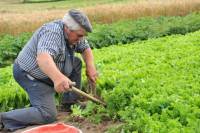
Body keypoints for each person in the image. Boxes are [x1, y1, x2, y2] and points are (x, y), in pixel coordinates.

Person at [0, 9, 97, 132]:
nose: (81, 38)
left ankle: (70, 102)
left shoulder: (74, 34)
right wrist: (58, 78)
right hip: (31, 74)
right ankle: (3, 119)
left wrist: (90, 67)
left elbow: (85, 48)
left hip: (47, 71)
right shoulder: (52, 33)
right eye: (79, 35)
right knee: (47, 114)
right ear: (67, 28)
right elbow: (43, 58)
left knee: (76, 62)